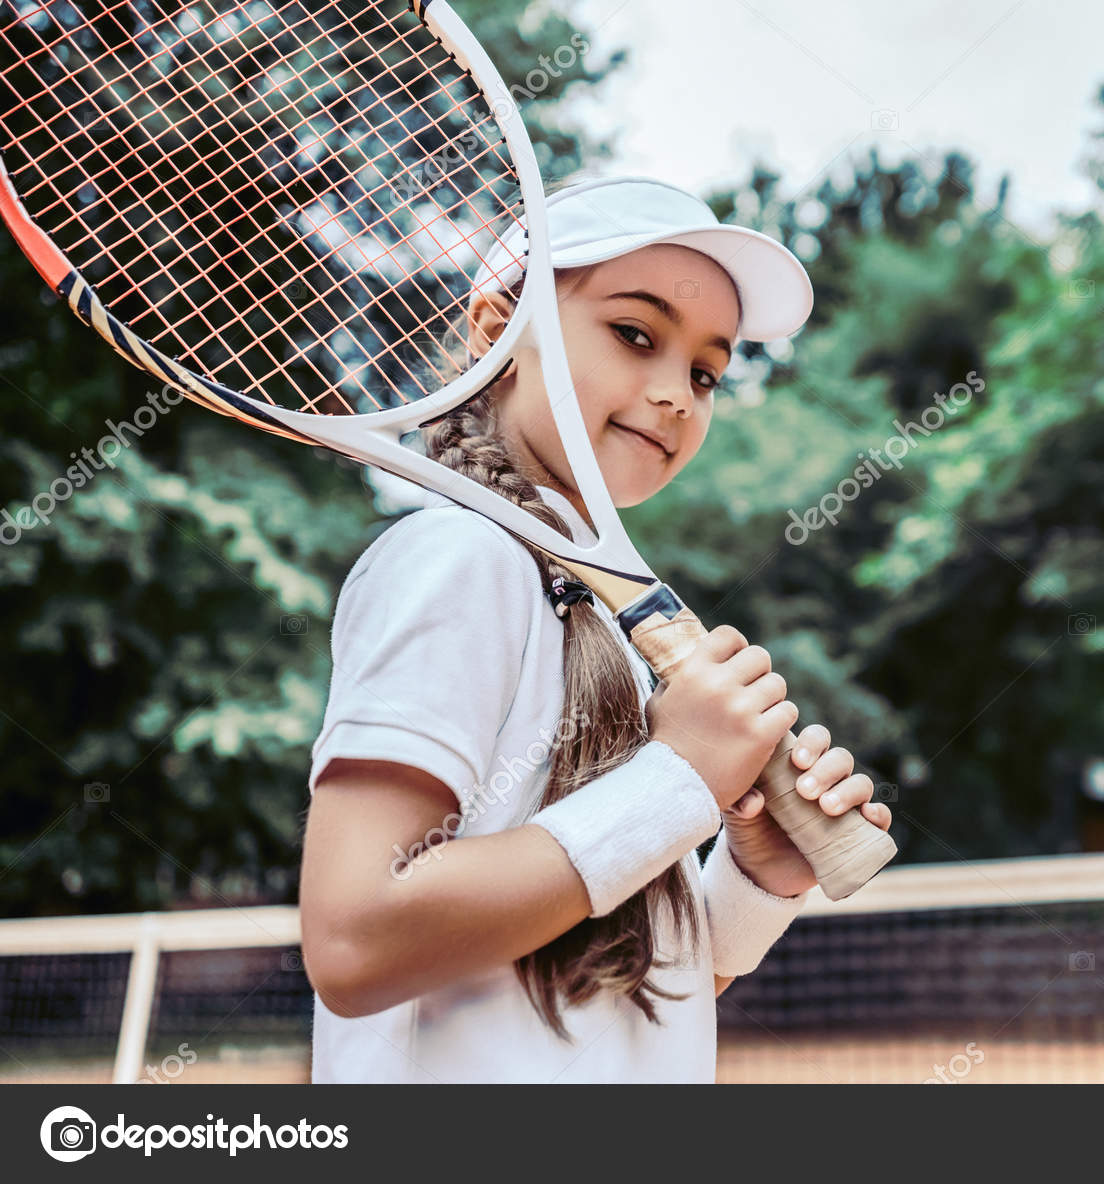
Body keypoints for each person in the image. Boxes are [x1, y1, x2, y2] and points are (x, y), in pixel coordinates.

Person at [297, 175, 893, 1083]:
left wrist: (754, 876)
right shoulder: (455, 559)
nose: (677, 395)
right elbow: (355, 942)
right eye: (635, 334)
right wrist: (682, 780)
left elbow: (605, 990)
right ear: (498, 331)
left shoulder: (601, 621)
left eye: (704, 371)